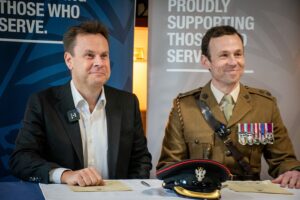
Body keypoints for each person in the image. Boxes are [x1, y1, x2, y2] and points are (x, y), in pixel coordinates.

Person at [9, 20, 152, 186]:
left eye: (104, 55)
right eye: (90, 55)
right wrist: (65, 175)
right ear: (69, 60)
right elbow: (21, 159)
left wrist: (129, 193)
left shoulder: (128, 103)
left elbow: (141, 159)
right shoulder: (43, 103)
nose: (99, 62)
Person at [157, 25, 300, 189]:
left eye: (238, 54)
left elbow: (283, 160)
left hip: (249, 196)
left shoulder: (265, 105)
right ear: (206, 61)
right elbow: (170, 165)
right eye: (224, 55)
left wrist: (293, 171)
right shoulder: (183, 107)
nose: (233, 62)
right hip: (202, 194)